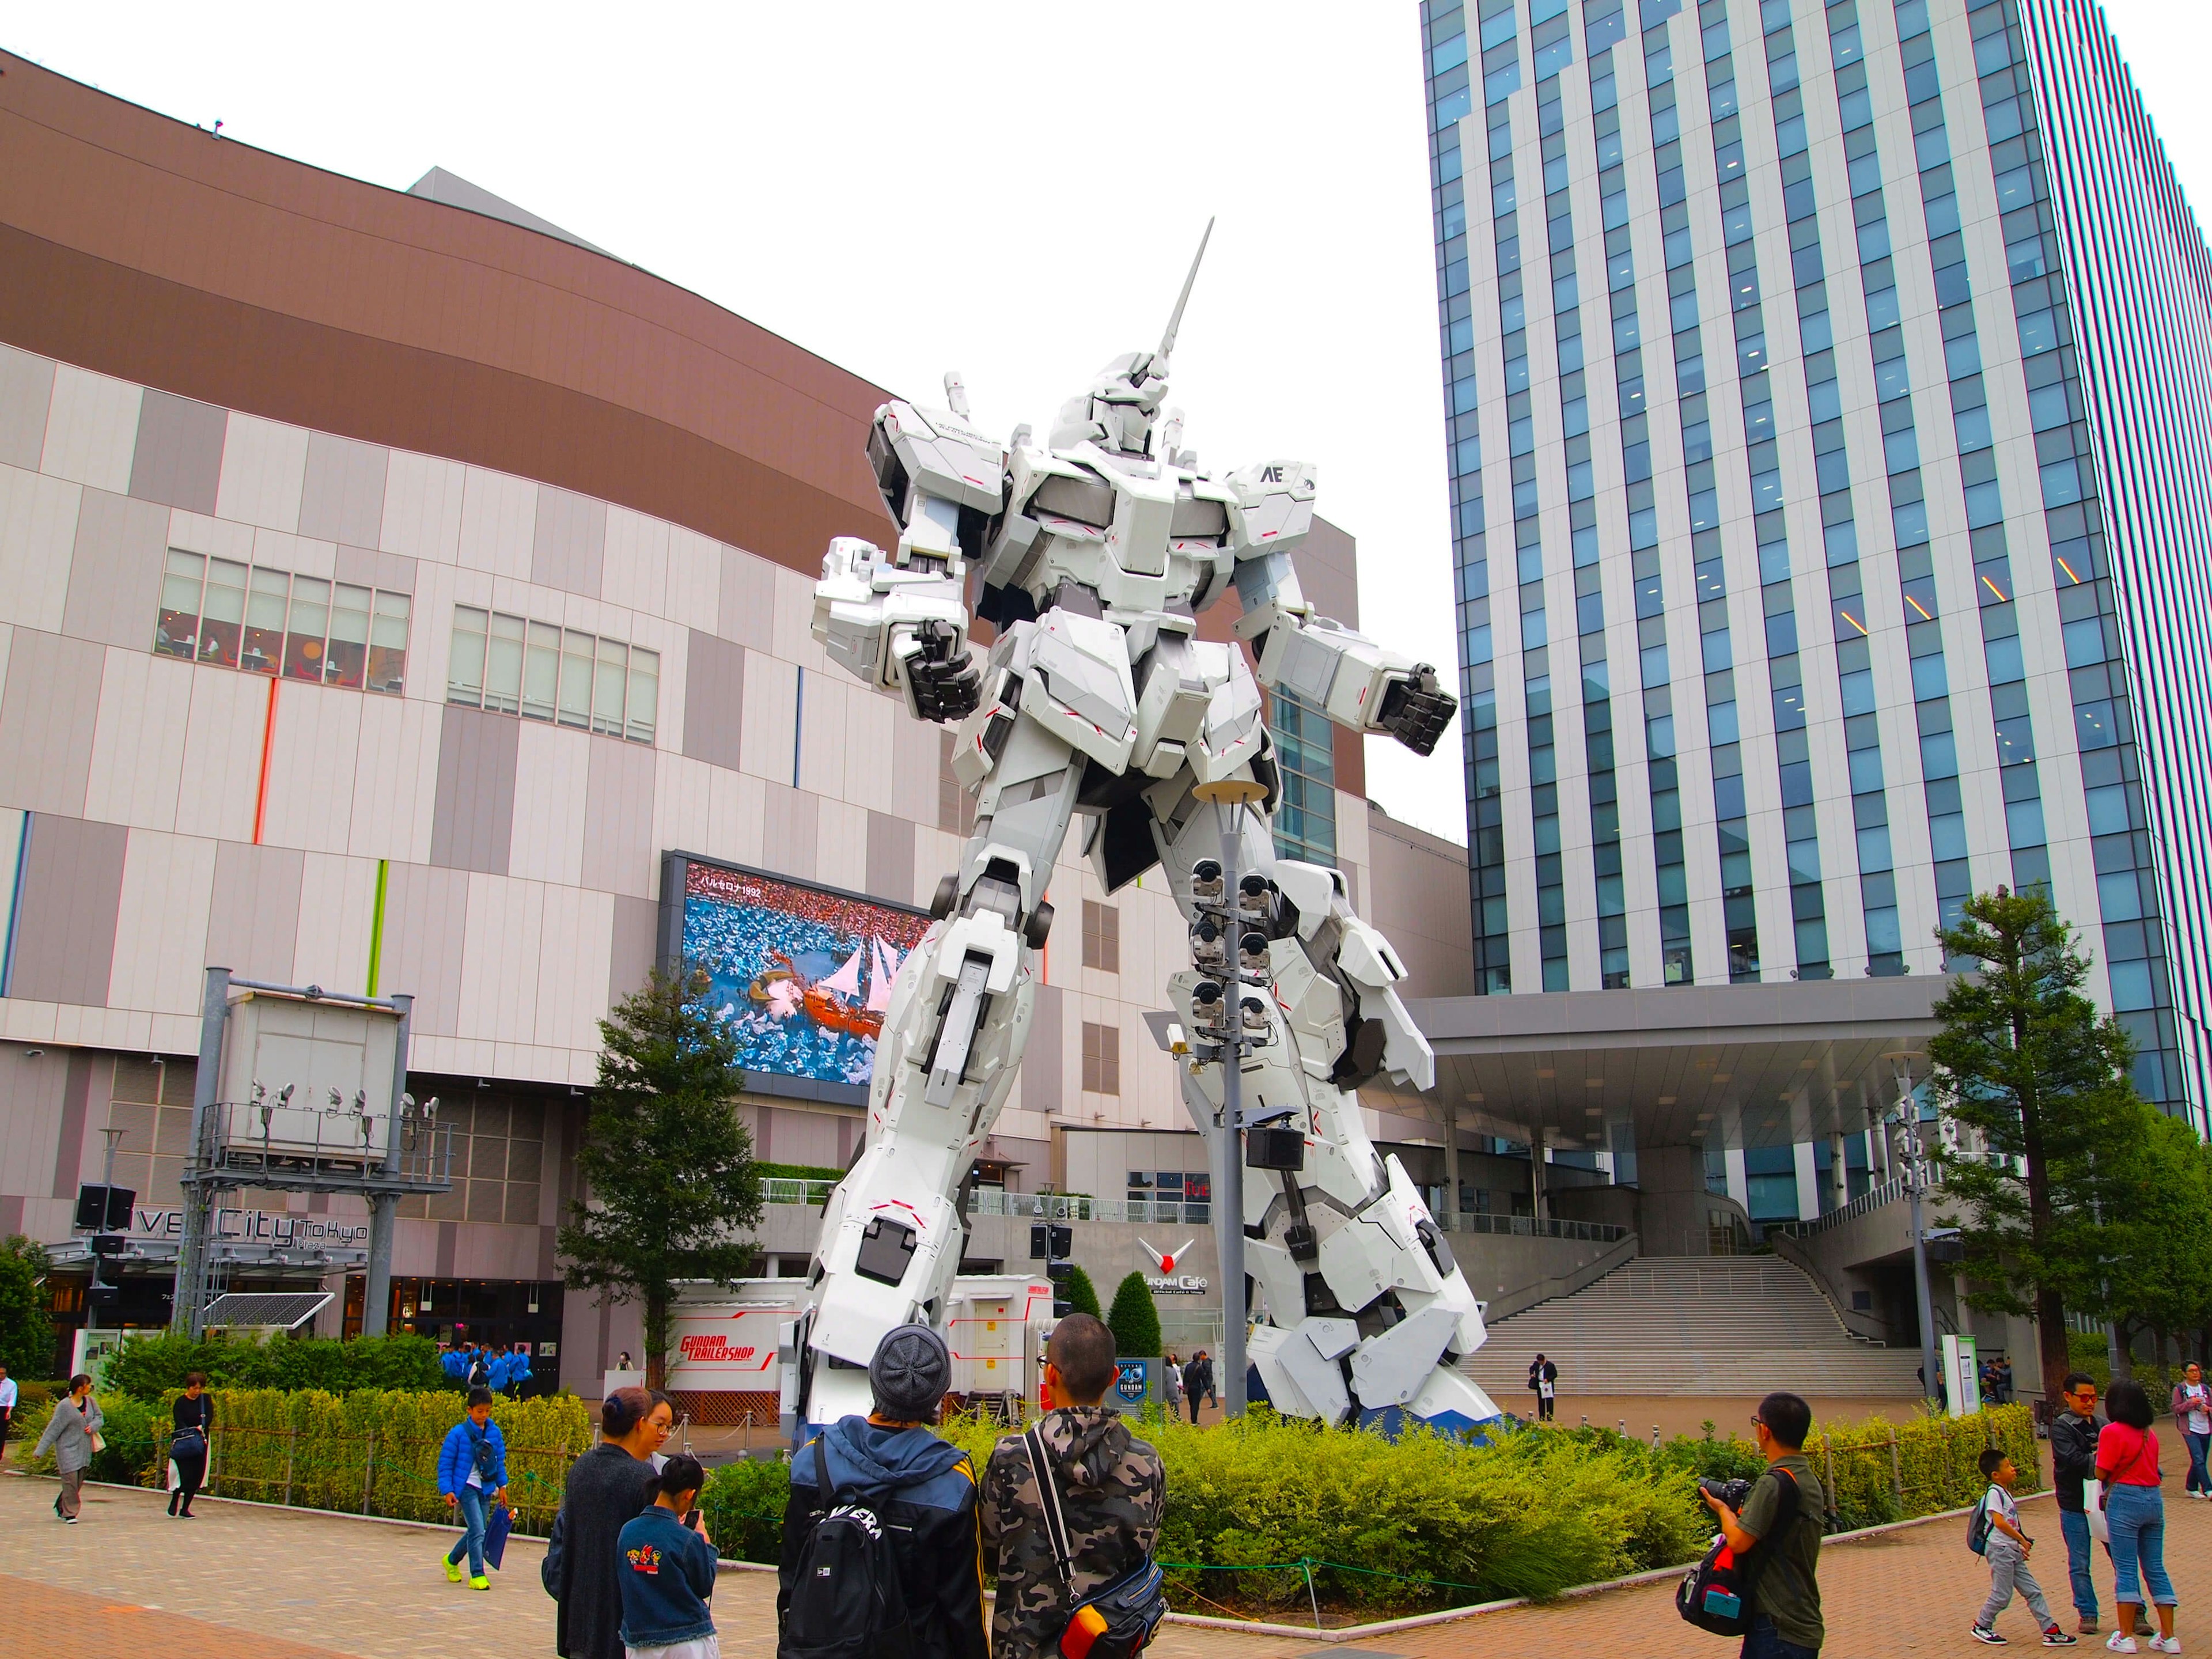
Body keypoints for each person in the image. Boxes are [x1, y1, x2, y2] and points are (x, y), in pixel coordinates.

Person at [779, 1324, 987, 1659]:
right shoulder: (953, 1479)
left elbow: (792, 1576)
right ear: (938, 1395)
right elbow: (963, 1605)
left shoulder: (813, 1460)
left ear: (875, 1379)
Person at [981, 1313, 1165, 1659]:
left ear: (1050, 1373)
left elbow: (990, 1556)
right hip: (1109, 1648)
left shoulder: (1011, 1457)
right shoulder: (1147, 1463)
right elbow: (1144, 1554)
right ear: (1113, 1378)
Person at [547, 1387, 673, 1659]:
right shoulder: (640, 1476)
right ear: (640, 1424)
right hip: (620, 1623)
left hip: (579, 1619)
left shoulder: (581, 1468)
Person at [1700, 1391, 1824, 1658]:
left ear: (1765, 1431)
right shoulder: (1806, 1478)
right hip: (1801, 1618)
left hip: (1776, 1627)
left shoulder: (1773, 1483)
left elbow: (1738, 1541)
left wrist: (1724, 1511)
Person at [2098, 1378, 2179, 1653]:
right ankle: (2169, 1636)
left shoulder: (2112, 1432)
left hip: (2124, 1499)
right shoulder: (2148, 1433)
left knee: (2126, 1567)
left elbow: (2101, 1472)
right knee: (2155, 1567)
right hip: (2153, 1499)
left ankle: (2125, 1635)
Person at [1971, 1445, 2075, 1646]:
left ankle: (2050, 1630)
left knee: (2032, 1590)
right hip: (2000, 1550)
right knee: (2002, 1594)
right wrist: (2021, 1539)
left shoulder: (2004, 1492)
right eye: (2008, 1466)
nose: (2013, 1469)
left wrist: (2018, 1543)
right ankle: (1982, 1625)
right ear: (1995, 1474)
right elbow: (1999, 1522)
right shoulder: (1994, 1493)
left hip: (2010, 1550)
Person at [618, 1453, 718, 1659]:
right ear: (689, 1495)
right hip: (687, 1639)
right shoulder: (688, 1539)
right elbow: (704, 1585)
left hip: (640, 1641)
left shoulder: (627, 1532)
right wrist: (706, 1543)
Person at [438, 1385, 511, 1589]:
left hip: (486, 1487)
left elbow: (500, 1461)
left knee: (477, 1531)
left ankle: (452, 1560)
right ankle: (477, 1574)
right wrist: (448, 1489)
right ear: (469, 1410)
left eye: (488, 1411)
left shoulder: (494, 1432)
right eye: (480, 1411)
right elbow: (445, 1463)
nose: (484, 1415)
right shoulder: (459, 1433)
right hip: (467, 1487)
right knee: (478, 1530)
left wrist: (502, 1486)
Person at [2053, 1372, 2107, 1637]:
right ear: (2068, 1397)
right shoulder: (2062, 1427)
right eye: (2084, 1397)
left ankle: (2135, 1609)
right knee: (2079, 1562)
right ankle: (2087, 1613)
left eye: (2094, 1397)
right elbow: (2073, 1460)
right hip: (2074, 1503)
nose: (2090, 1402)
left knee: (2122, 1559)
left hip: (2106, 1503)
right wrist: (2102, 1459)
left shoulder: (2103, 1424)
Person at [34, 1373, 103, 1524]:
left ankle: (62, 1505)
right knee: (70, 1481)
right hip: (67, 1449)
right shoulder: (64, 1407)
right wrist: (40, 1451)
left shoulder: (91, 1402)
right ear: (80, 1388)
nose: (91, 1387)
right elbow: (54, 1429)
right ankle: (70, 1513)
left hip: (84, 1450)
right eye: (88, 1384)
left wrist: (93, 1426)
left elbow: (100, 1418)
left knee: (76, 1483)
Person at [168, 1370, 215, 1518]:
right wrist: (190, 1430)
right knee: (185, 1475)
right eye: (194, 1388)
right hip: (184, 1441)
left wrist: (202, 1427)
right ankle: (176, 1495)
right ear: (188, 1387)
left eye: (200, 1388)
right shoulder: (180, 1402)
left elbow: (209, 1417)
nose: (197, 1391)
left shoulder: (205, 1400)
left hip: (200, 1442)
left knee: (197, 1476)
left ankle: (186, 1507)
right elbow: (179, 1420)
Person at [2171, 1363, 2211, 1499]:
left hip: (2205, 1427)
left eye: (2197, 1370)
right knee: (2198, 1459)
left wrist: (2207, 1409)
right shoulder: (2180, 1389)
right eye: (2192, 1371)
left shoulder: (2205, 1389)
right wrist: (2191, 1403)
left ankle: (2191, 1487)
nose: (2195, 1373)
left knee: (2200, 1460)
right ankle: (2208, 1489)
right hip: (2190, 1429)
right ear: (2184, 1373)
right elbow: (2176, 1408)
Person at [1180, 1350, 1211, 1425]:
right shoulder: (1199, 1367)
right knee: (1196, 1404)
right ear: (1199, 1359)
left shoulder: (1188, 1366)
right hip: (1197, 1388)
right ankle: (1194, 1420)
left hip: (1189, 1388)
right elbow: (1203, 1378)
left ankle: (1192, 1419)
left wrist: (1185, 1386)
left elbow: (1185, 1377)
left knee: (1191, 1404)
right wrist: (1207, 1388)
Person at [1528, 1353, 1558, 1422]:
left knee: (1549, 1401)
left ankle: (1550, 1416)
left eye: (1541, 1362)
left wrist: (1548, 1379)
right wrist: (1532, 1374)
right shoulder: (1536, 1364)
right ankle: (1542, 1417)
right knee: (1541, 1402)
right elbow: (1531, 1368)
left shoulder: (1550, 1365)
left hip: (1548, 1385)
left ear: (1543, 1360)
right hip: (1540, 1384)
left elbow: (1555, 1374)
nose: (1540, 1363)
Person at [0, 1362, 16, 1469]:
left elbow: (12, 1399)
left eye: (3, 1373)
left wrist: (9, 1411)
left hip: (3, 1409)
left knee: (1, 1433)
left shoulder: (12, 1384)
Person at [1162, 1350, 1183, 1416]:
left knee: (1163, 1405)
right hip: (1174, 1389)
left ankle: (1166, 1418)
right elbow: (1177, 1378)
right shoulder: (1173, 1369)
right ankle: (1178, 1418)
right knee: (1175, 1406)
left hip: (1167, 1390)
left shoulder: (1164, 1369)